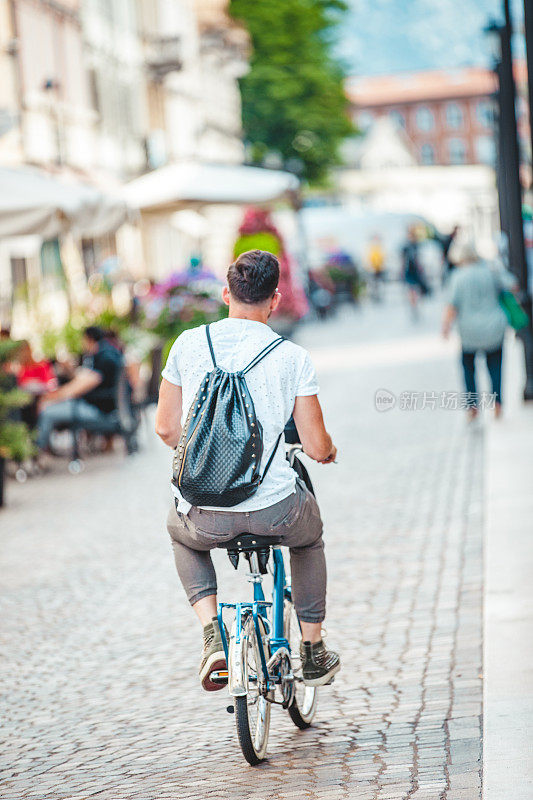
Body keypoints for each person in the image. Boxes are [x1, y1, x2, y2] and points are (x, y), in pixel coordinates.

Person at [156, 250, 341, 692]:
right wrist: (329, 452)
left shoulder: (187, 343)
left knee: (178, 531)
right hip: (275, 508)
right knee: (309, 537)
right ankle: (312, 649)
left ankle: (211, 633)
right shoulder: (291, 356)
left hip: (203, 515)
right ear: (274, 300)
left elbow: (165, 428)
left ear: (226, 294)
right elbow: (315, 445)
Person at [442, 242, 518, 421]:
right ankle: (497, 403)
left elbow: (452, 306)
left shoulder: (457, 276)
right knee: (495, 366)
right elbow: (513, 285)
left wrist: (445, 327)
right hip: (494, 326)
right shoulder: (490, 270)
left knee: (468, 368)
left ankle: (472, 406)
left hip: (469, 330)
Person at [36, 326, 123, 451]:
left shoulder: (104, 357)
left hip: (99, 411)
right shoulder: (107, 352)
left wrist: (49, 397)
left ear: (89, 339)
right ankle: (46, 450)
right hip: (103, 407)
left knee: (47, 412)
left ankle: (38, 453)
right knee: (53, 407)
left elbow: (76, 389)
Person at [402, 224, 429, 318]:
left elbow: (419, 258)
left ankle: (416, 303)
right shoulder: (405, 246)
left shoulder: (417, 245)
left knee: (418, 290)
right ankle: (414, 305)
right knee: (411, 290)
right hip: (409, 271)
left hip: (416, 272)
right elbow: (403, 260)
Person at [366, 234, 386, 301]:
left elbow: (383, 258)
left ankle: (378, 295)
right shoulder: (370, 248)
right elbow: (368, 259)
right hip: (372, 269)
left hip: (379, 268)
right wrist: (370, 267)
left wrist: (382, 266)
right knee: (373, 283)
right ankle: (374, 295)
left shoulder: (380, 248)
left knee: (379, 283)